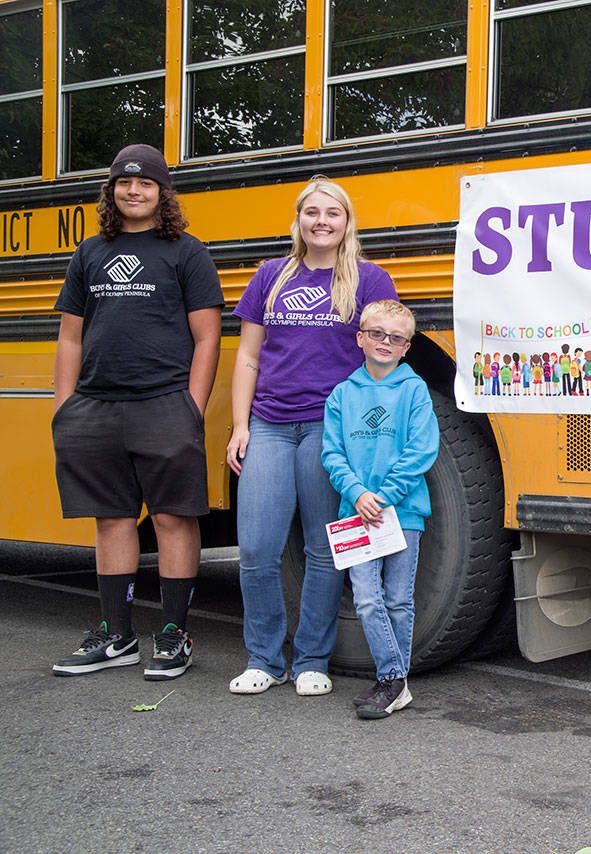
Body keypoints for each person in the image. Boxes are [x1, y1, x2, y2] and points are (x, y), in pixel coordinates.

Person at [51, 143, 224, 680]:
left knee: (173, 517)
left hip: (164, 403)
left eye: (145, 183)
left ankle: (173, 635)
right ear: (111, 190)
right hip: (96, 406)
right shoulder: (90, 252)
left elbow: (208, 335)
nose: (133, 191)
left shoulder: (186, 252)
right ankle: (116, 634)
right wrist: (65, 408)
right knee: (113, 519)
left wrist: (191, 407)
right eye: (124, 183)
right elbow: (70, 337)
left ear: (162, 192)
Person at [226, 176, 397, 696]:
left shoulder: (368, 280)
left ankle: (311, 661)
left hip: (332, 431)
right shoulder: (271, 276)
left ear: (347, 223)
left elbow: (384, 357)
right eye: (312, 213)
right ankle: (264, 658)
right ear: (298, 220)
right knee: (257, 547)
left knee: (325, 549)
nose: (321, 221)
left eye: (333, 213)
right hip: (271, 425)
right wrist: (239, 425)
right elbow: (249, 356)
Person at [322, 300, 439, 719]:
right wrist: (357, 493)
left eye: (396, 337)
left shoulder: (413, 390)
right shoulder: (342, 394)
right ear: (361, 338)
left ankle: (392, 680)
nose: (385, 342)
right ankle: (394, 680)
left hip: (401, 513)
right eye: (376, 334)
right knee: (368, 600)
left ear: (407, 347)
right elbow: (332, 454)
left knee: (397, 599)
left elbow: (422, 451)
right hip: (355, 514)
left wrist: (385, 495)